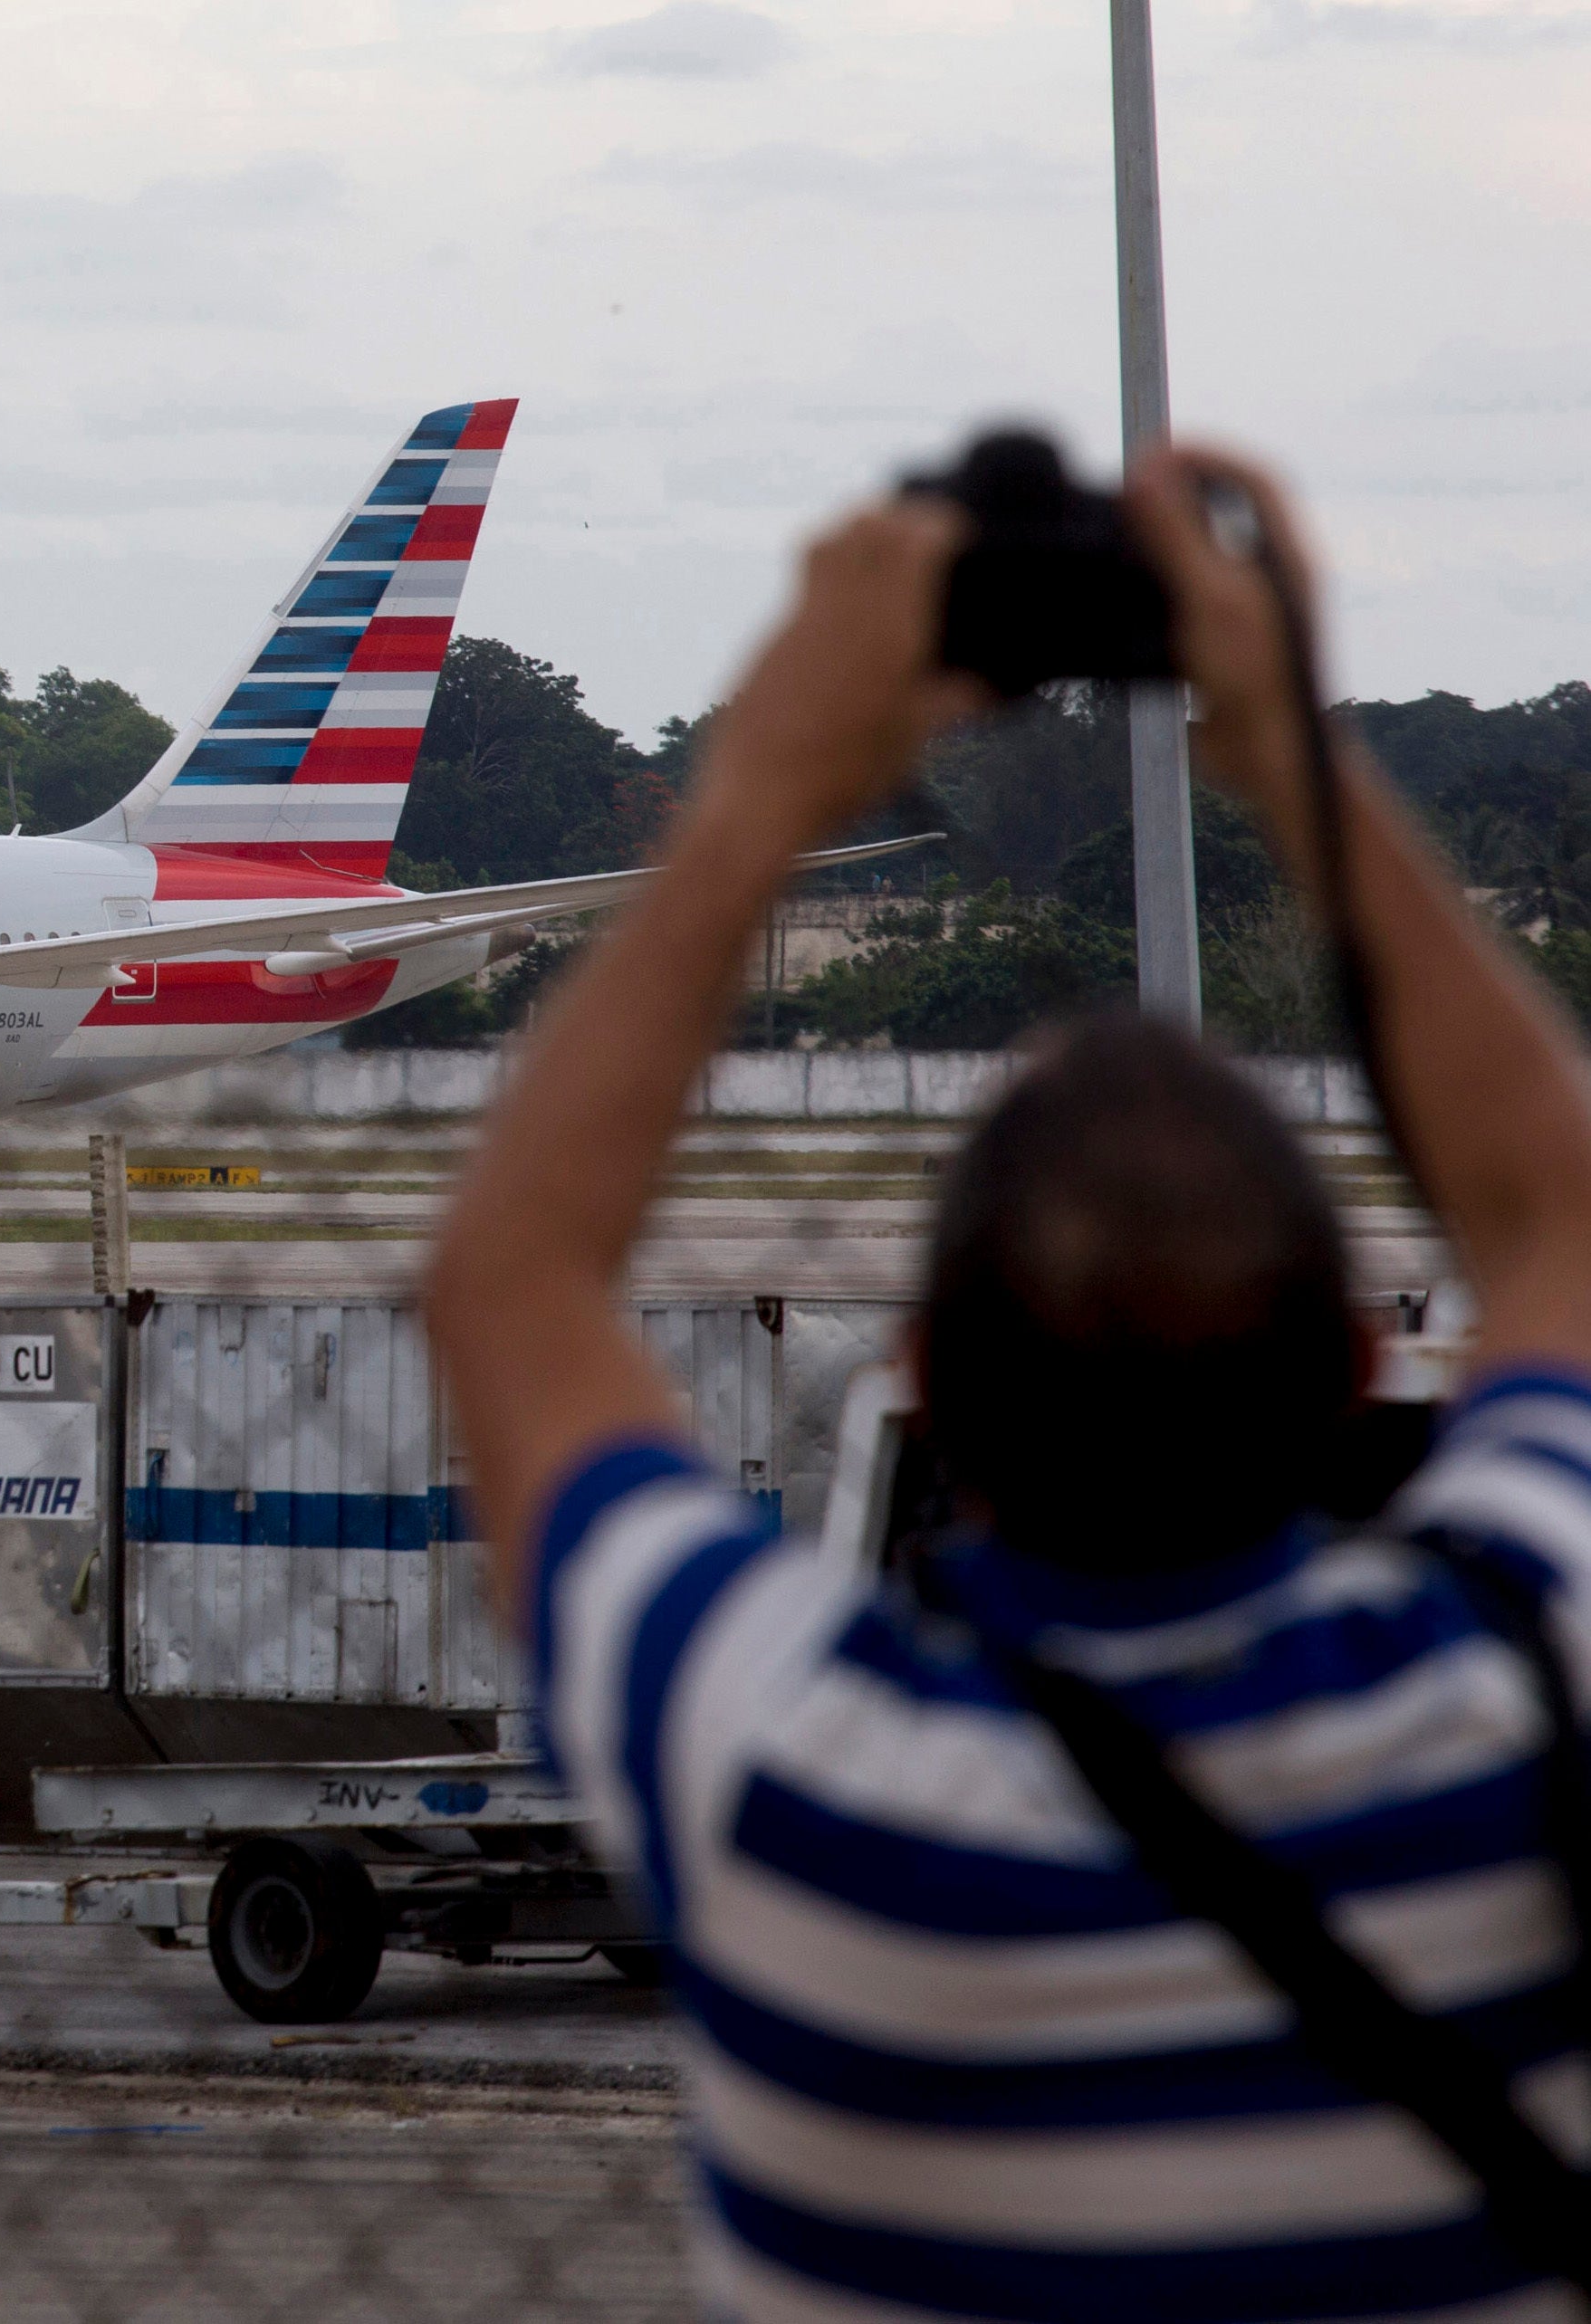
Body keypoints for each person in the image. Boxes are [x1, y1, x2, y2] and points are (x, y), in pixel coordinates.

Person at [422, 446, 1591, 2319]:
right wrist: (1296, 743)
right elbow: (1561, 1214)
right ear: (1367, 1368)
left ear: (924, 1388)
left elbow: (504, 1284)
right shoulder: (1519, 1702)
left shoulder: (790, 1783)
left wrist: (761, 797)